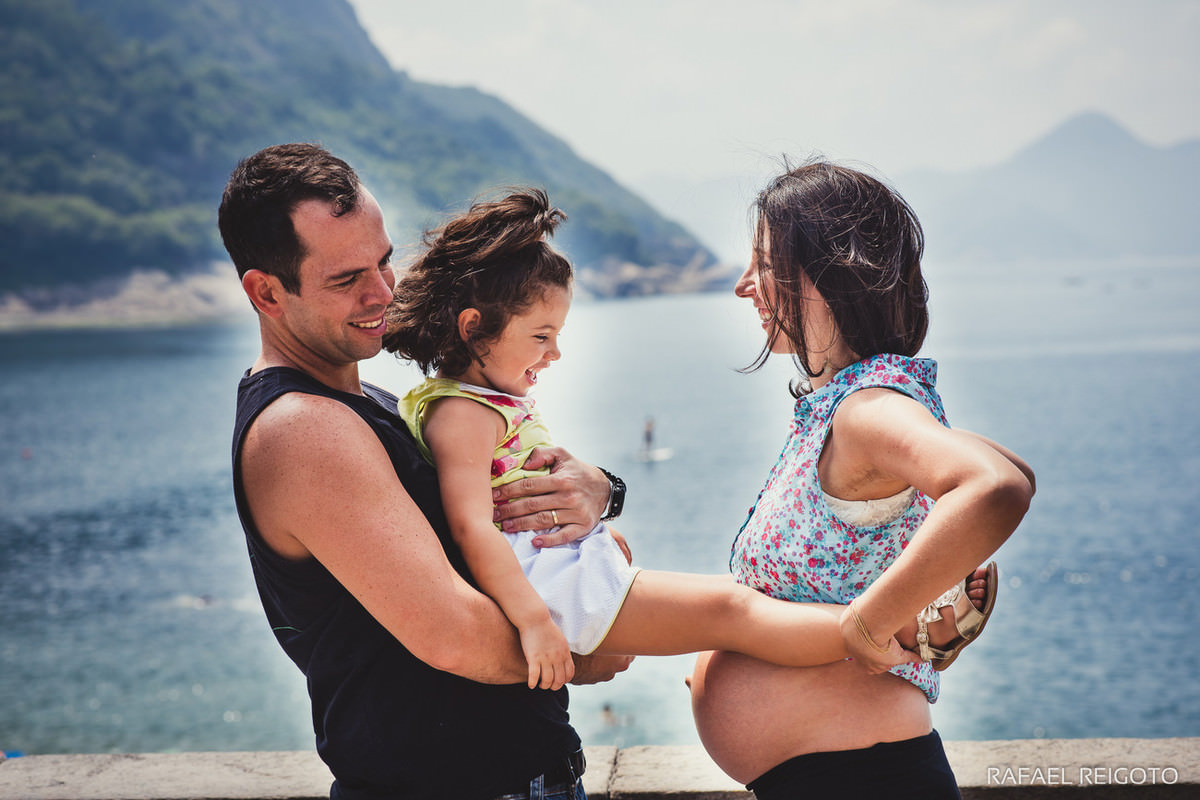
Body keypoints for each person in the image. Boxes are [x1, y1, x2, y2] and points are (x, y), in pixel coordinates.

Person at [381, 187, 980, 693]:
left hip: (556, 583)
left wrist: (595, 517)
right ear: (473, 328)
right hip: (549, 594)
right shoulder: (463, 413)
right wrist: (536, 621)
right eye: (541, 335)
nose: (555, 353)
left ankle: (899, 625)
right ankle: (901, 631)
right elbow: (473, 527)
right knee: (733, 612)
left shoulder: (477, 405)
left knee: (735, 608)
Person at [219, 143, 632, 800]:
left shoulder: (375, 407)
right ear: (266, 291)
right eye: (346, 278)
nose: (382, 292)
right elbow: (456, 635)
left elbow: (506, 522)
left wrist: (601, 491)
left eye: (383, 262)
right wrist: (590, 646)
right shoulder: (304, 427)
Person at [685, 160, 1037, 799]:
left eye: (763, 264)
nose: (743, 286)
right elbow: (1016, 472)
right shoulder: (850, 404)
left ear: (830, 274)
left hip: (865, 779)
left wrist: (870, 624)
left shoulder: (866, 409)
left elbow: (996, 486)